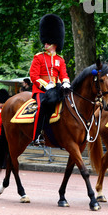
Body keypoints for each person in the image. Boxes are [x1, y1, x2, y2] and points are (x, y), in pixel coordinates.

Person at [30, 14, 70, 145]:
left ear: (55, 43)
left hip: (55, 89)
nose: (45, 43)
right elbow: (34, 76)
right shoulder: (39, 57)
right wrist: (45, 85)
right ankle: (36, 136)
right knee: (42, 106)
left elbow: (64, 75)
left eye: (48, 42)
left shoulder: (60, 60)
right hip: (41, 90)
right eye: (45, 41)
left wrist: (65, 83)